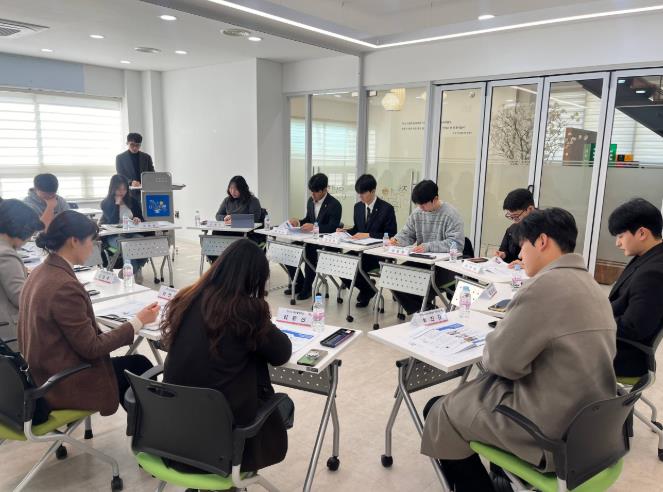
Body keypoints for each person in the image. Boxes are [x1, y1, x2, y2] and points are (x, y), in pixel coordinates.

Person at [421, 208, 617, 491]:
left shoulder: (542, 287)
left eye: (523, 245)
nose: (520, 254)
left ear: (542, 241)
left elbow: (502, 363)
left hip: (549, 431)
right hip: (591, 428)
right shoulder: (593, 286)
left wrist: (497, 339)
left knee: (442, 411)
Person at [161, 239, 293, 473]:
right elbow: (282, 353)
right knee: (284, 405)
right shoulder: (246, 311)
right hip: (224, 438)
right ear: (254, 279)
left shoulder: (186, 298)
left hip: (176, 432)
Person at [17, 210, 159, 415]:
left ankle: (140, 425)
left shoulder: (40, 271)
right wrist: (137, 322)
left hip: (42, 373)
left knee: (134, 364)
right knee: (140, 366)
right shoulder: (64, 286)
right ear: (74, 241)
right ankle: (148, 429)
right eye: (91, 241)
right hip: (60, 383)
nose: (93, 247)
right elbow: (92, 348)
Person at [389, 180, 465, 314]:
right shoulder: (417, 213)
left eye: (423, 204)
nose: (420, 208)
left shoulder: (451, 215)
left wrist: (428, 246)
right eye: (418, 204)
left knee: (419, 282)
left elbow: (456, 244)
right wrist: (397, 240)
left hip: (445, 266)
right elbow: (407, 234)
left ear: (435, 199)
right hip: (423, 261)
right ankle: (427, 310)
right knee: (392, 277)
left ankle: (425, 311)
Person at [608, 198, 663, 378]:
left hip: (623, 357)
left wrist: (593, 320)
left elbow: (634, 327)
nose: (618, 243)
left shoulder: (653, 273)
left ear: (641, 233)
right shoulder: (649, 256)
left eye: (621, 236)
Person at [339, 174, 397, 307]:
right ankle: (368, 289)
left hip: (377, 254)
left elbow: (391, 235)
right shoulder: (358, 207)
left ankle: (367, 290)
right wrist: (345, 232)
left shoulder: (386, 209)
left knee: (355, 265)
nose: (360, 196)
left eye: (363, 193)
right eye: (359, 193)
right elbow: (357, 229)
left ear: (373, 191)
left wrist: (369, 235)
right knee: (341, 262)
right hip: (361, 250)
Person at [286, 173, 342, 300]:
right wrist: (298, 222)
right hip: (310, 240)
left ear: (324, 189)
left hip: (325, 243)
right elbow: (308, 219)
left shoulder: (335, 205)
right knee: (289, 250)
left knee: (310, 252)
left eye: (316, 192)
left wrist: (315, 227)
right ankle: (299, 283)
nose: (313, 195)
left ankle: (307, 288)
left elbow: (333, 228)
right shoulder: (310, 201)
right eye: (311, 191)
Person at [0, 200, 44, 341]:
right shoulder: (6, 254)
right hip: (10, 330)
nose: (29, 238)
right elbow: (20, 297)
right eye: (30, 233)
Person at [99, 175, 148, 283]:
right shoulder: (106, 203)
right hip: (114, 236)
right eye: (118, 189)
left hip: (131, 233)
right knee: (127, 247)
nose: (122, 192)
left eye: (124, 189)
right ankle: (132, 274)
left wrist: (137, 219)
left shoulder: (132, 201)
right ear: (112, 188)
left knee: (145, 244)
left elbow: (141, 219)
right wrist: (117, 204)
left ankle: (134, 269)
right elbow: (112, 222)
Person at [495, 188, 536, 265]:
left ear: (530, 209)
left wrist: (525, 265)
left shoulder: (546, 228)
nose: (514, 221)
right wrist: (504, 255)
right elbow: (506, 252)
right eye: (511, 217)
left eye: (516, 216)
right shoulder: (511, 230)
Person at [115, 132, 155, 201]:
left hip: (145, 191)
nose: (135, 147)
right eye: (132, 144)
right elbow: (120, 175)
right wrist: (131, 182)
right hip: (128, 193)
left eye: (138, 145)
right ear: (127, 143)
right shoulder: (120, 158)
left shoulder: (147, 157)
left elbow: (152, 174)